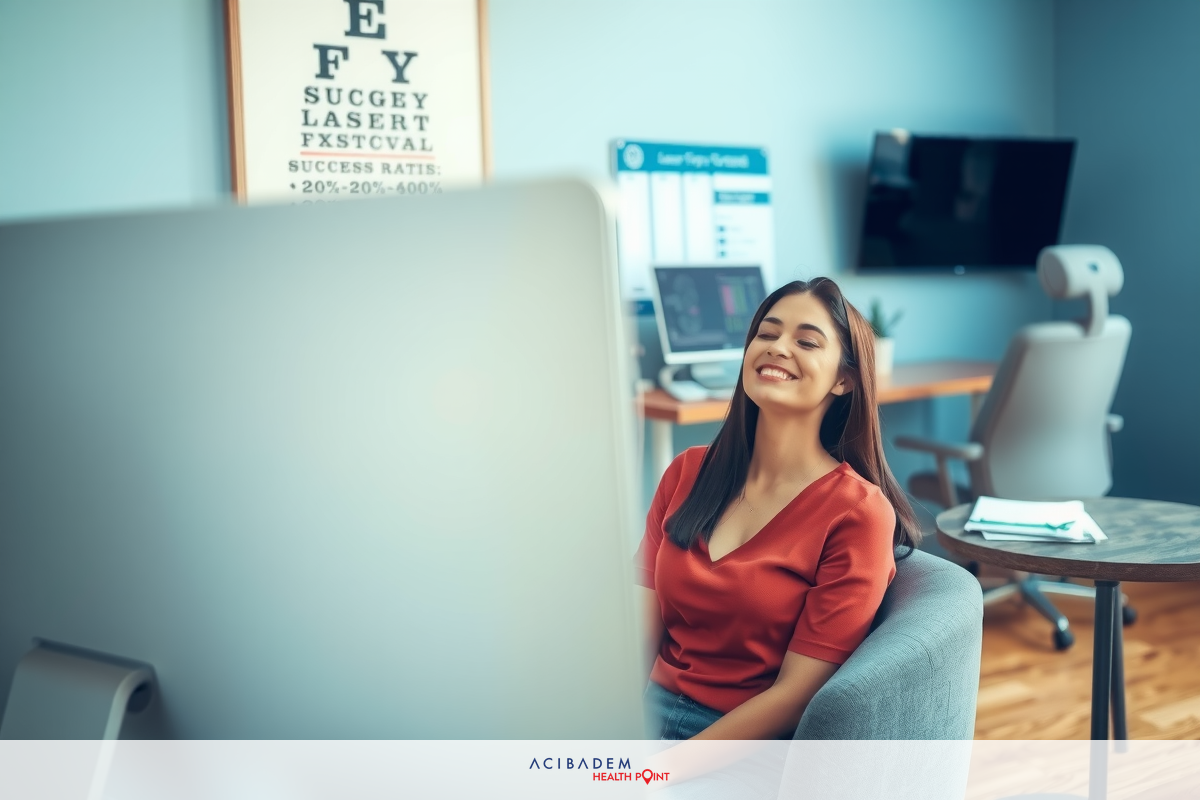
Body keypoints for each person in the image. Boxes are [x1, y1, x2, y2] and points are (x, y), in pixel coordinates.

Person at [637, 277, 920, 741]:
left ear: (844, 379)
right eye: (766, 335)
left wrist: (655, 773)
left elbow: (796, 697)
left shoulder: (858, 513)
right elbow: (637, 633)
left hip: (742, 740)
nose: (777, 348)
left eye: (805, 341)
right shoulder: (685, 473)